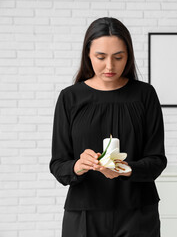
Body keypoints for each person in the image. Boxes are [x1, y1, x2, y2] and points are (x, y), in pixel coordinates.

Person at [50, 17, 167, 237]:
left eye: (118, 57)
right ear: (88, 55)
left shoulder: (145, 95)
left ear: (128, 56)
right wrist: (78, 165)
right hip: (83, 213)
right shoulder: (70, 98)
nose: (110, 66)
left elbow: (157, 160)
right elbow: (58, 165)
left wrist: (124, 169)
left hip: (138, 212)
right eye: (101, 57)